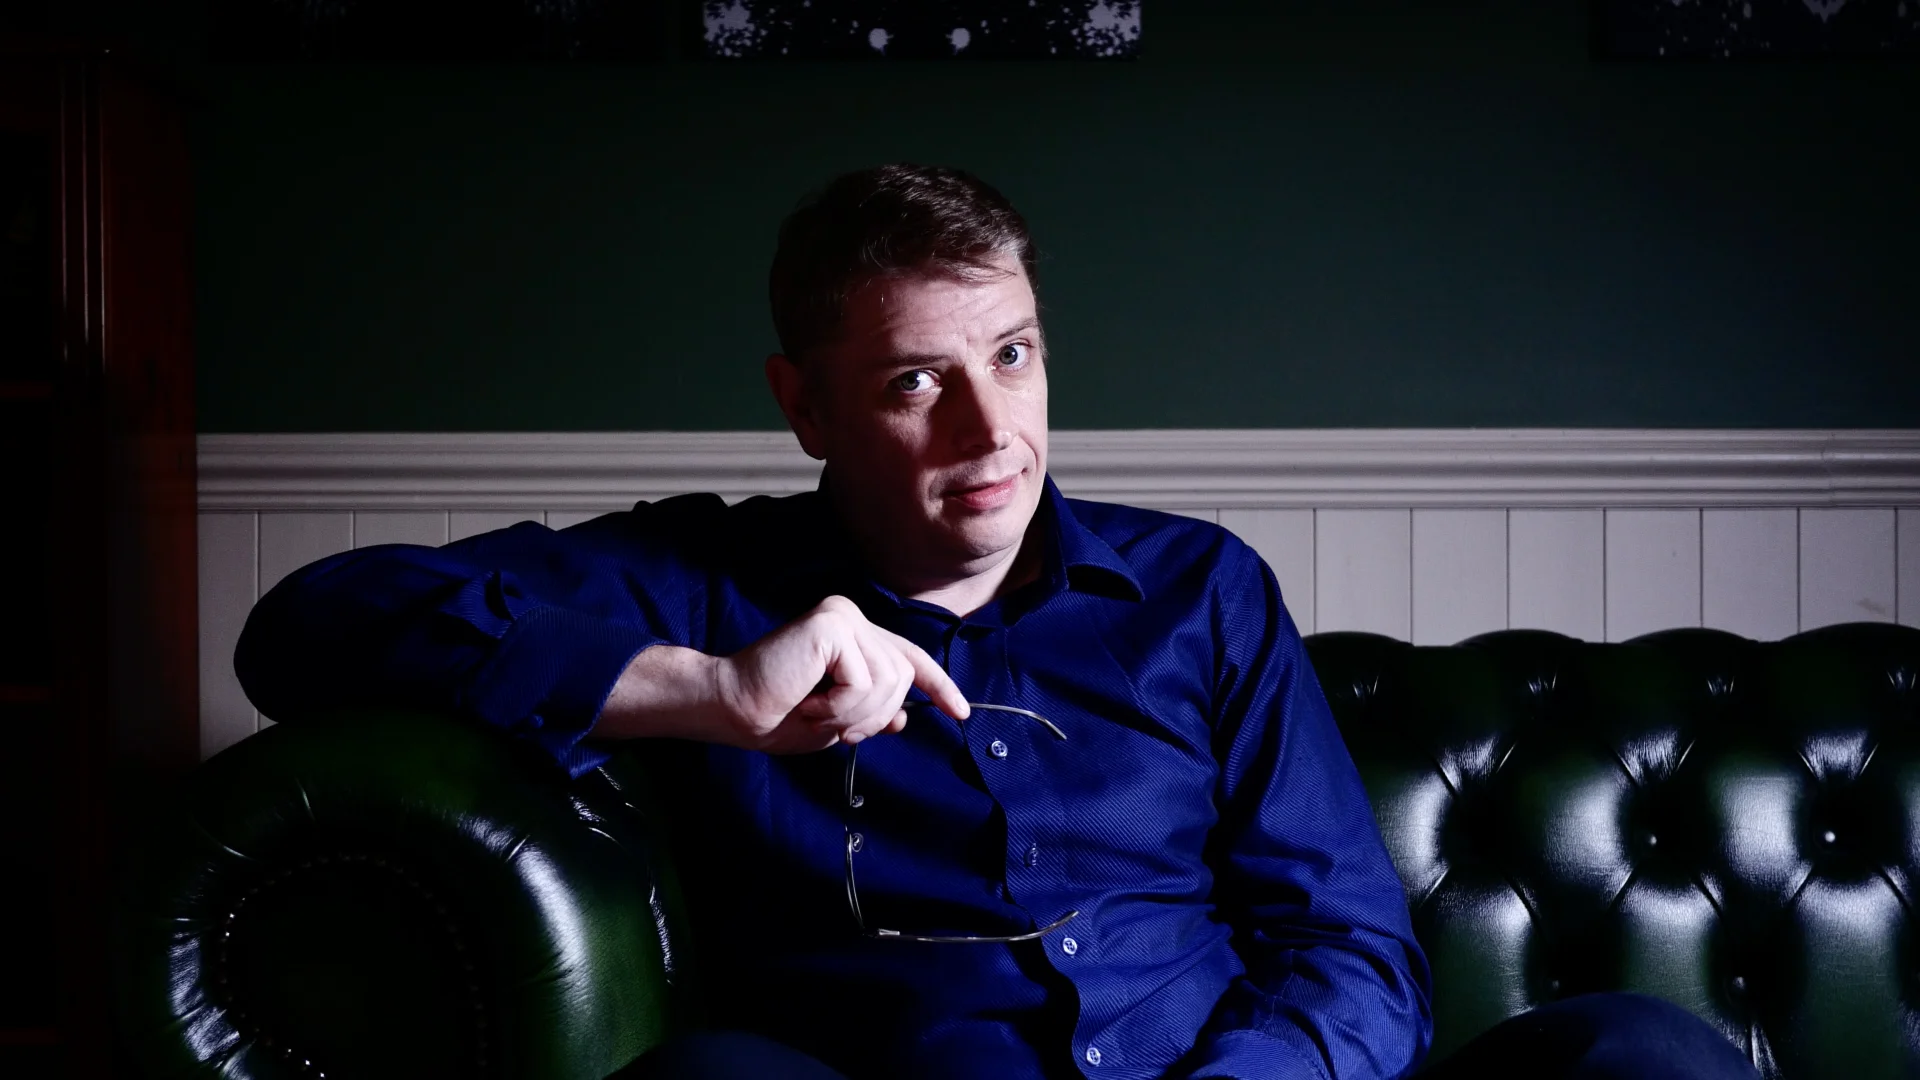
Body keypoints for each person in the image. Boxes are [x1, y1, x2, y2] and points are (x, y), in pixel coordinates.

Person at [236, 165, 1758, 1080]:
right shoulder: (703, 579)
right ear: (804, 406)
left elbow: (1350, 949)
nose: (991, 430)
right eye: (917, 381)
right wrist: (705, 689)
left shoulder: (1202, 590)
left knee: (1646, 1051)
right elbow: (307, 626)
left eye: (1014, 356)